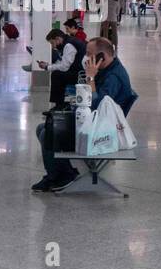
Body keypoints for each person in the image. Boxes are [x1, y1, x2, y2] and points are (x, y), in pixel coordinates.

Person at [33, 37, 137, 192]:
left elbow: (96, 105)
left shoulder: (113, 77)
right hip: (95, 121)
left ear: (102, 57)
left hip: (102, 130)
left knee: (48, 131)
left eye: (89, 54)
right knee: (43, 127)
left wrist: (90, 77)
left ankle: (62, 177)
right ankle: (63, 172)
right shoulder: (108, 68)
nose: (86, 57)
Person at [36, 26, 86, 108]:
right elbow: (64, 62)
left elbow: (64, 67)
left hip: (81, 75)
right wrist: (48, 65)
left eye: (52, 43)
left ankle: (59, 105)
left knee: (57, 75)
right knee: (58, 74)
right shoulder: (69, 41)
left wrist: (47, 67)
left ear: (58, 39)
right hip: (79, 70)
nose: (53, 46)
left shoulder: (68, 45)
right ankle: (58, 104)